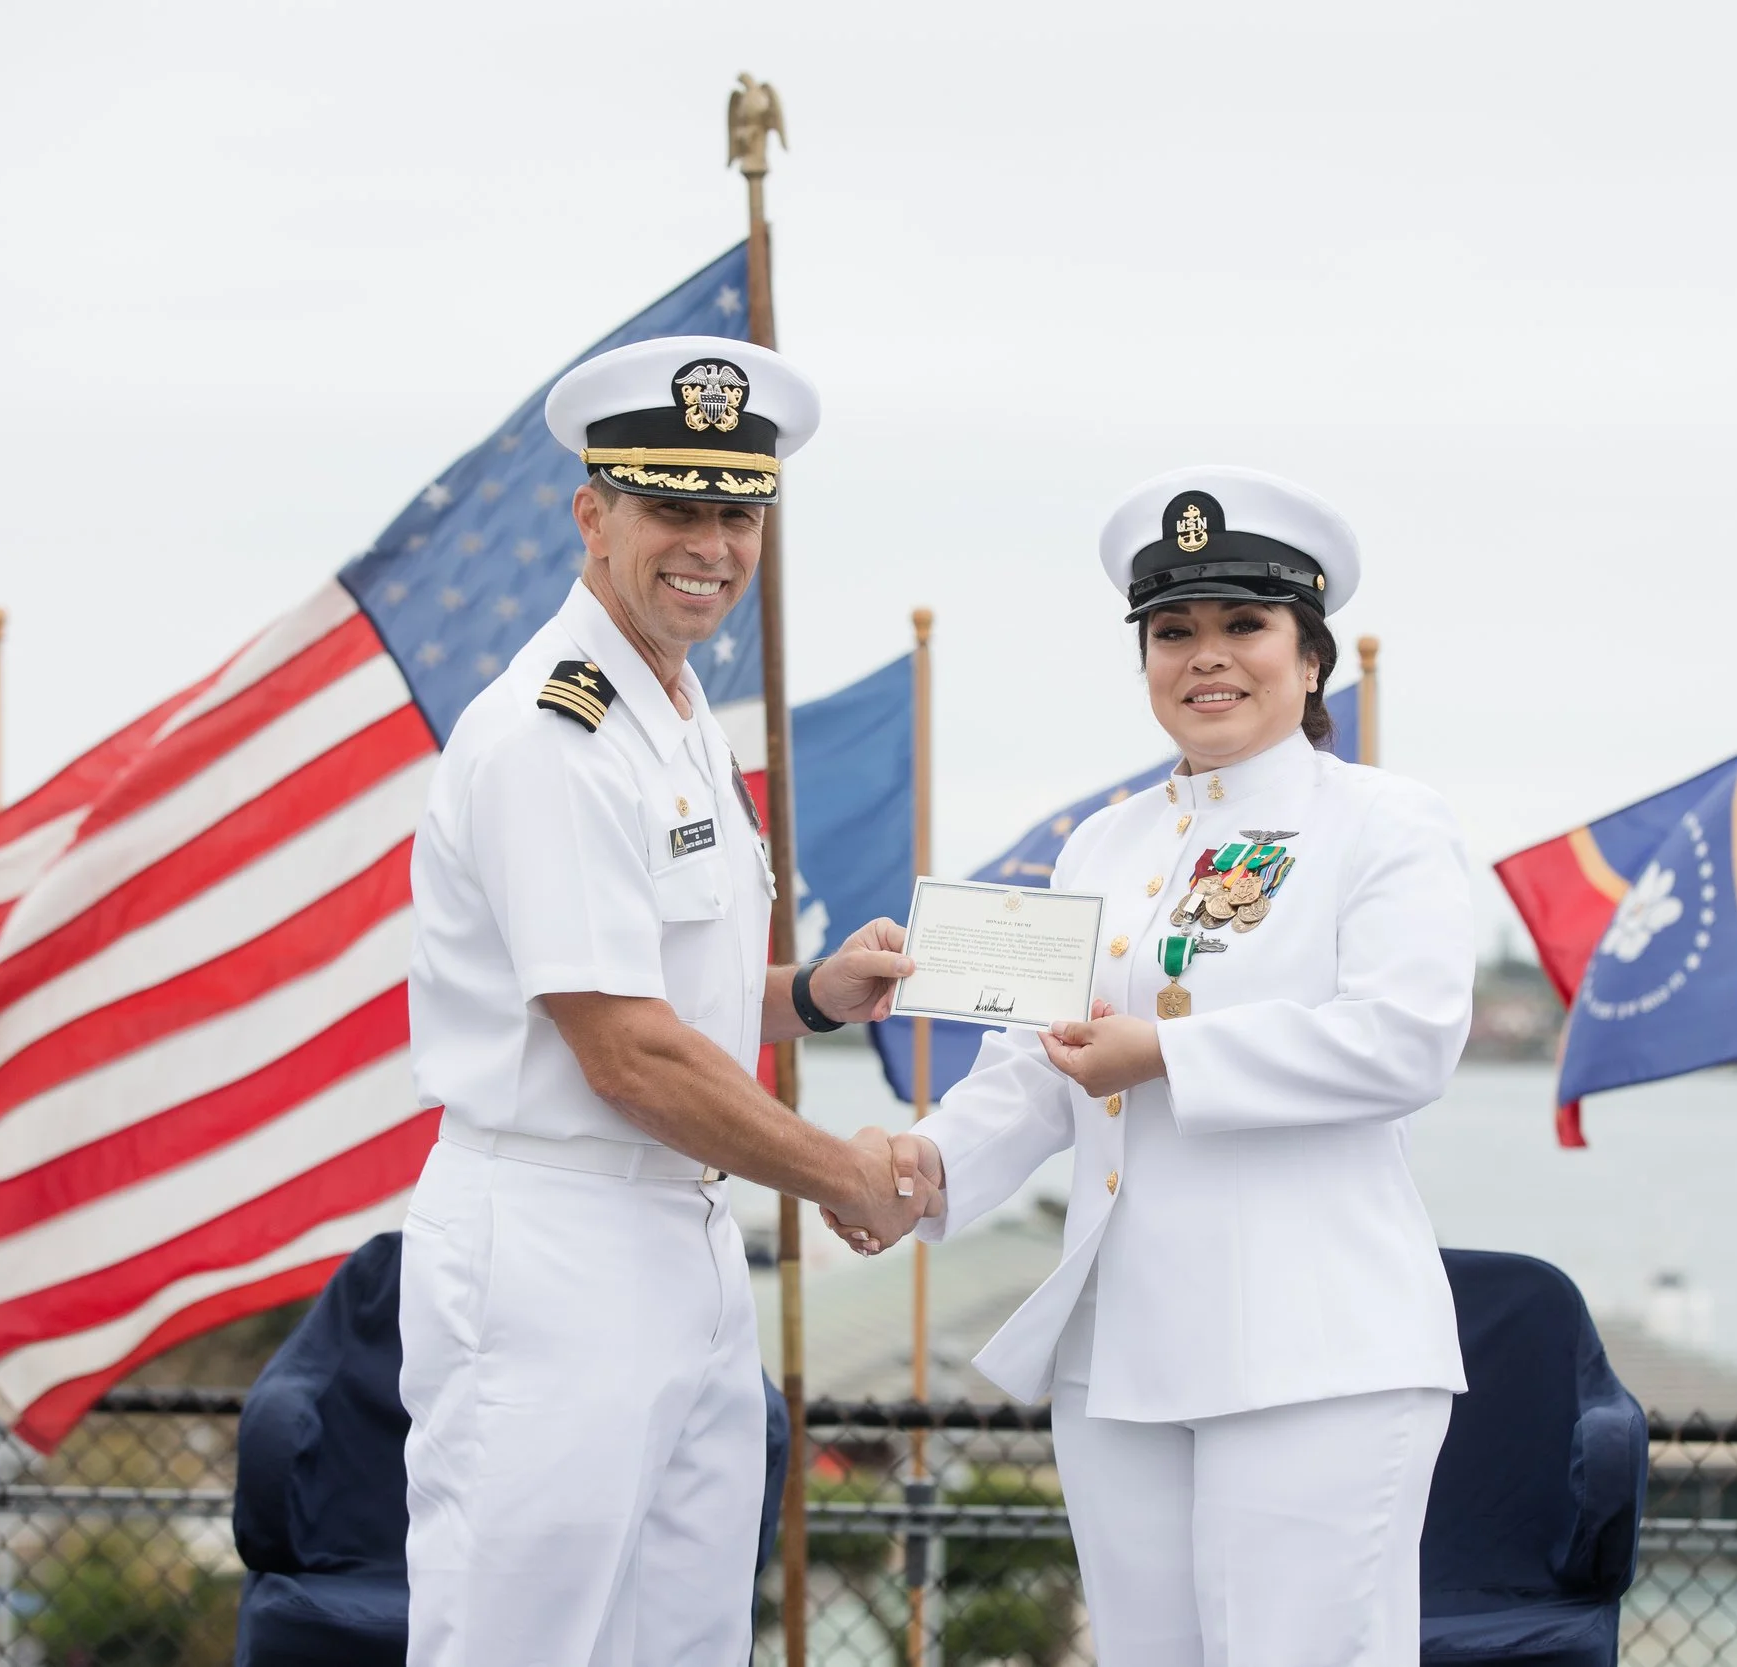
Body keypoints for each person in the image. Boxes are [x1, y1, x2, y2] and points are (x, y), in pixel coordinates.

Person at [830, 466, 1474, 1665]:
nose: (1206, 656)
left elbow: (1406, 1038)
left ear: (1310, 654)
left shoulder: (1383, 821)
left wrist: (1164, 1051)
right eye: (1172, 631)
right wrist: (916, 1163)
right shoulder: (1106, 841)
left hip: (1314, 1350)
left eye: (1244, 624)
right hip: (1124, 1349)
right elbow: (1036, 1062)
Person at [398, 334, 939, 1667]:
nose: (712, 544)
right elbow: (628, 1054)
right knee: (519, 1639)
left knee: (680, 1639)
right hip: (552, 1237)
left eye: (737, 511)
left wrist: (809, 994)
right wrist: (840, 1172)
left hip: (679, 1236)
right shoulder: (552, 735)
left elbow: (663, 992)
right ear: (595, 515)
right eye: (673, 507)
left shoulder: (679, 710)